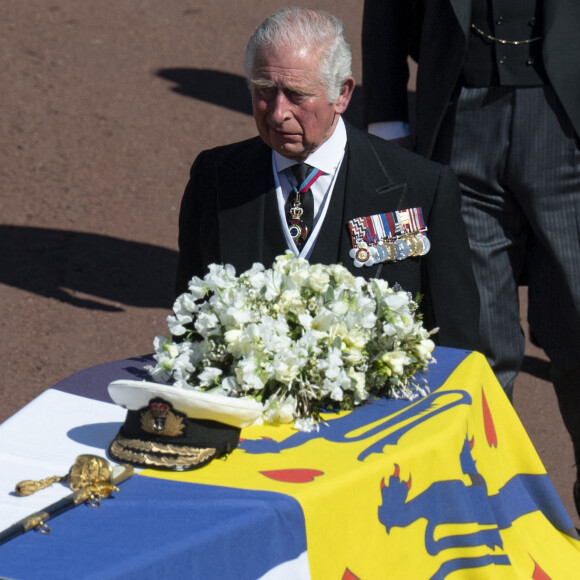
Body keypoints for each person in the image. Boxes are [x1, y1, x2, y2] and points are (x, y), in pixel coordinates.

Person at [362, 0, 580, 514]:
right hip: (457, 116)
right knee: (475, 336)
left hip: (569, 121)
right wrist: (388, 121)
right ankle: (486, 508)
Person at [176, 7, 480, 352]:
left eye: (297, 94)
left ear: (342, 95)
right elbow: (191, 321)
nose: (278, 113)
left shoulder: (421, 187)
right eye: (264, 89)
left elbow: (457, 342)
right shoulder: (215, 177)